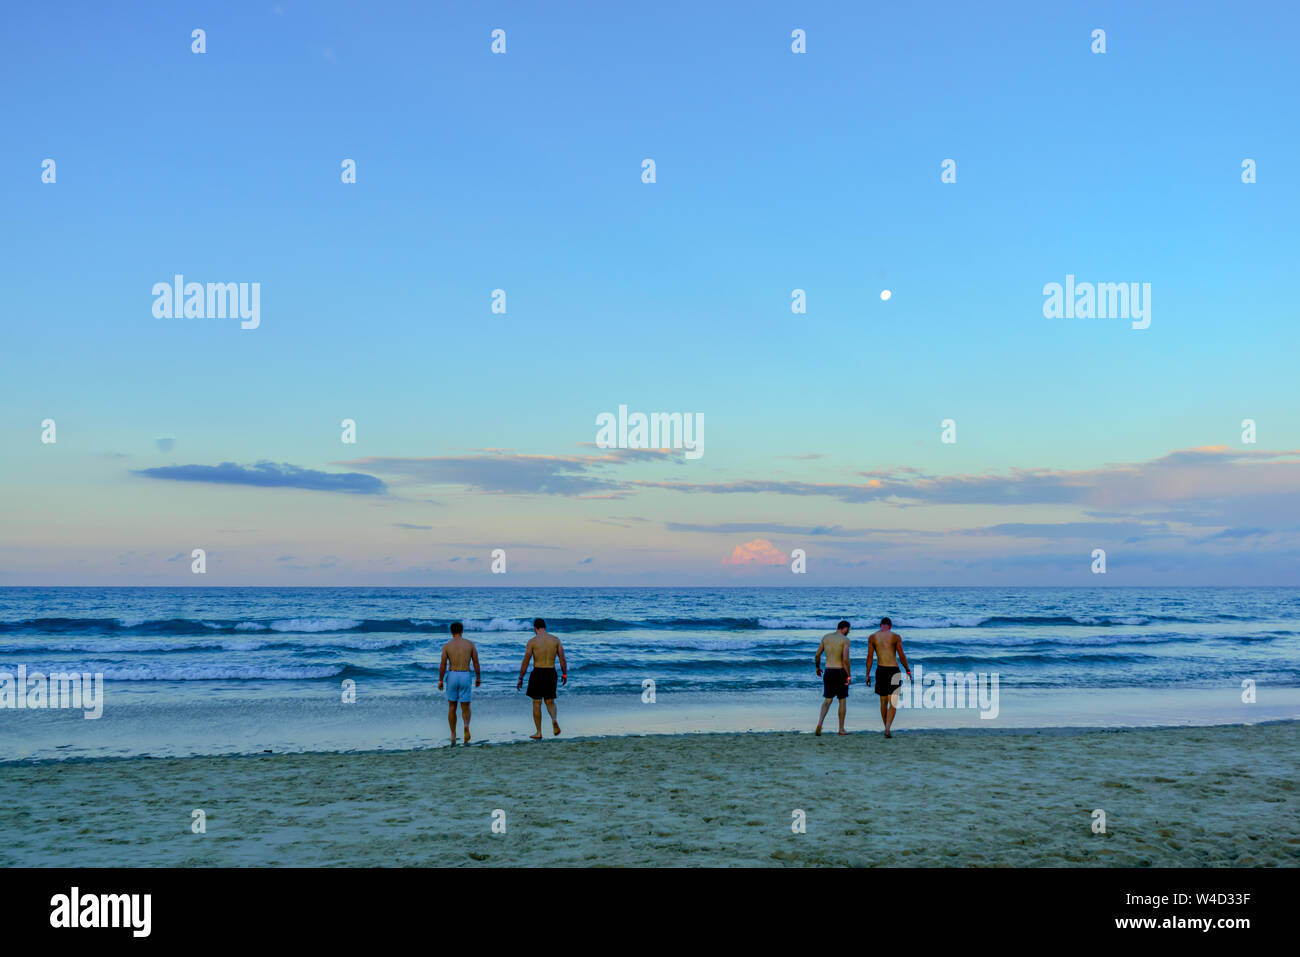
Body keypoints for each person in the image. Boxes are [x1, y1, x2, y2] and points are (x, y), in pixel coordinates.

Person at [517, 618, 566, 739]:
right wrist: (564, 674)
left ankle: (538, 732)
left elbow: (526, 661)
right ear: (545, 627)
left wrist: (521, 677)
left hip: (538, 672)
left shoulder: (532, 642)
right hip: (551, 672)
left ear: (535, 628)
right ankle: (554, 720)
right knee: (550, 701)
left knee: (536, 702)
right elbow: (562, 660)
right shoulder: (555, 640)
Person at [865, 616, 911, 738]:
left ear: (881, 625)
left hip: (880, 670)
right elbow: (901, 656)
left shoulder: (873, 637)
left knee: (883, 701)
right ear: (890, 626)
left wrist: (867, 674)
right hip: (893, 670)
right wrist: (907, 670)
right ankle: (887, 728)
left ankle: (886, 727)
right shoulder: (895, 636)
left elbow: (869, 657)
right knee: (893, 703)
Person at [437, 622, 481, 744]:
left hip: (452, 675)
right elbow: (476, 662)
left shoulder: (446, 646)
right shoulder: (470, 644)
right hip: (465, 674)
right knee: (465, 707)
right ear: (462, 631)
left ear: (451, 632)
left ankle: (453, 734)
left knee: (452, 707)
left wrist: (440, 680)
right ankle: (466, 725)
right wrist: (478, 678)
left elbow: (443, 665)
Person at [814, 620, 852, 735]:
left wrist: (817, 667)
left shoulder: (826, 637)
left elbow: (817, 655)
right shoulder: (845, 640)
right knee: (842, 700)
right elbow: (845, 659)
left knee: (827, 700)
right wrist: (849, 675)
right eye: (848, 629)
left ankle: (820, 723)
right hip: (840, 672)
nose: (849, 632)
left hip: (828, 671)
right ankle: (841, 729)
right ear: (845, 628)